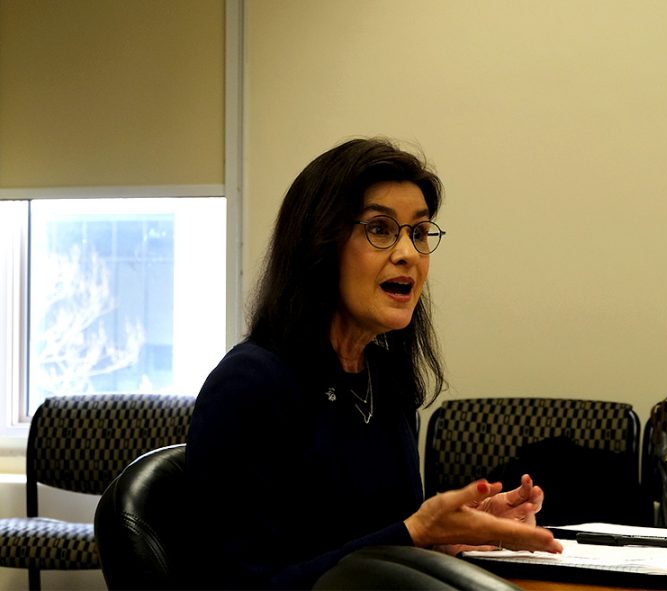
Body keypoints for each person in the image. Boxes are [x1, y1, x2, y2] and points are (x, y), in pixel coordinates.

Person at [185, 137, 562, 589]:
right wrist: (415, 532)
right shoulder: (249, 386)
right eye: (381, 229)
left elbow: (376, 547)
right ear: (320, 244)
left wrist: (446, 537)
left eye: (419, 233)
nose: (408, 253)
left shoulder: (386, 381)